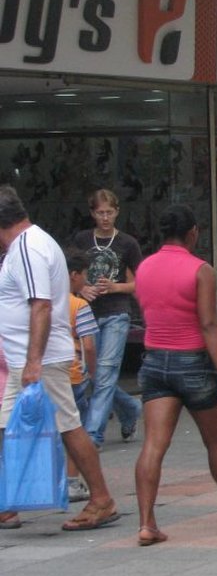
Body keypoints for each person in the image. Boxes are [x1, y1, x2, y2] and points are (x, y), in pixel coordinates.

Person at [133, 205, 217, 545]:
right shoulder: (200, 270)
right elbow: (209, 324)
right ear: (192, 232)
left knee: (153, 445)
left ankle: (147, 522)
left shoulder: (144, 267)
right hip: (192, 363)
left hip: (154, 362)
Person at [0, 186, 119, 532]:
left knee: (68, 425)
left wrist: (34, 361)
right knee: (6, 426)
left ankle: (101, 499)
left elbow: (40, 304)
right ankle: (7, 502)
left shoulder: (27, 248)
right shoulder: (31, 244)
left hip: (39, 358)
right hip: (29, 356)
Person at [71, 189, 143, 447]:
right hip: (88, 312)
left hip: (117, 313)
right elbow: (71, 273)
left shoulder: (127, 243)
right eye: (100, 213)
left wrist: (116, 287)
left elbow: (141, 282)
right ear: (92, 213)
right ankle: (131, 409)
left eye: (109, 212)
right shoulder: (81, 239)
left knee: (106, 373)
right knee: (94, 374)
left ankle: (93, 435)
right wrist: (80, 288)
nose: (105, 218)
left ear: (117, 212)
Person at [65, 250, 99, 502]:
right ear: (73, 275)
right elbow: (88, 345)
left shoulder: (44, 302)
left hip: (47, 375)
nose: (86, 281)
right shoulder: (79, 305)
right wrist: (93, 373)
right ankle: (72, 482)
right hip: (74, 375)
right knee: (74, 431)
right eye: (85, 275)